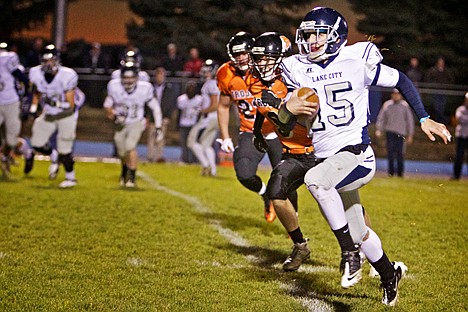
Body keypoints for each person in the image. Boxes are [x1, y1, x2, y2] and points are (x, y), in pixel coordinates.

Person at [268, 7, 451, 306]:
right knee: (359, 229)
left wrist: (423, 118)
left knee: (315, 182)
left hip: (356, 155)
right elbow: (287, 124)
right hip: (328, 158)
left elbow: (401, 80)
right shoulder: (297, 68)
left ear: (336, 36)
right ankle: (389, 274)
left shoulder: (356, 60)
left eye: (319, 35)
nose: (312, 41)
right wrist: (288, 110)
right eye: (308, 35)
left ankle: (349, 254)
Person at [248, 32, 310, 263]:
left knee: (343, 201)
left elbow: (308, 117)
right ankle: (300, 245)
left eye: (267, 58)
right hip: (294, 152)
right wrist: (257, 132)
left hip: (319, 150)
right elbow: (261, 108)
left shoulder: (295, 82)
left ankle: (366, 247)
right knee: (276, 192)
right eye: (258, 58)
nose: (261, 63)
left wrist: (283, 108)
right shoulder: (257, 81)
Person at [216, 32, 284, 223]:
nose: (241, 58)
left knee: (285, 181)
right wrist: (225, 136)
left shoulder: (269, 68)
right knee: (244, 173)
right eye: (237, 54)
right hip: (250, 131)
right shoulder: (226, 73)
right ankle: (265, 194)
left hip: (277, 131)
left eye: (245, 52)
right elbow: (223, 106)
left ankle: (292, 223)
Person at [28, 44, 79, 188]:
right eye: (45, 61)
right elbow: (37, 92)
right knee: (37, 143)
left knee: (65, 149)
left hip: (66, 114)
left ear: (57, 60)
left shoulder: (67, 75)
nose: (47, 64)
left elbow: (70, 105)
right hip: (49, 113)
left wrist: (55, 103)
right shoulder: (35, 73)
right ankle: (54, 155)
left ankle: (70, 178)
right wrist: (33, 108)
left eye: (50, 60)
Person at [103, 63, 162, 187]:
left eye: (131, 78)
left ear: (136, 78)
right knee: (121, 151)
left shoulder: (144, 88)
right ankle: (124, 170)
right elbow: (107, 105)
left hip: (136, 122)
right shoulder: (115, 87)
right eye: (126, 78)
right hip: (121, 124)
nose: (129, 81)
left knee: (130, 146)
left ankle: (132, 177)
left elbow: (155, 107)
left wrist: (158, 126)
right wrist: (113, 115)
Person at [0, 42, 29, 177]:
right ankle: (5, 159)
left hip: (11, 102)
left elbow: (22, 81)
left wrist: (25, 100)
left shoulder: (9, 60)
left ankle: (8, 156)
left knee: (11, 140)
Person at [187, 60, 220, 176]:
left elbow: (215, 105)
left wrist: (201, 110)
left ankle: (206, 164)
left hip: (209, 118)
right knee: (206, 144)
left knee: (191, 141)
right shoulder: (214, 83)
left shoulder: (211, 84)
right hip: (215, 118)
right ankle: (212, 169)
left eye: (208, 69)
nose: (204, 71)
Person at [375, 89, 415, 177]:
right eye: (394, 94)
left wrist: (410, 134)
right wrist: (379, 129)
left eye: (397, 94)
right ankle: (391, 172)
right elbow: (381, 118)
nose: (395, 96)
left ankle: (400, 173)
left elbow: (409, 121)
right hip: (390, 132)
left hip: (401, 133)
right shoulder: (387, 105)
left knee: (400, 153)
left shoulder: (404, 106)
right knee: (390, 153)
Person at [147, 66, 178, 163]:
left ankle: (158, 157)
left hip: (163, 117)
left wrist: (168, 116)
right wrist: (147, 116)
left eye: (161, 75)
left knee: (160, 138)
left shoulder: (169, 88)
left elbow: (171, 103)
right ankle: (150, 157)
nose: (159, 77)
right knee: (151, 137)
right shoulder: (150, 88)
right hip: (152, 117)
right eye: (158, 75)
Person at [177, 81, 204, 164]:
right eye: (189, 88)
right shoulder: (181, 99)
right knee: (184, 143)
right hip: (183, 123)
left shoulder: (199, 99)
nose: (191, 90)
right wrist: (177, 124)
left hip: (194, 124)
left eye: (192, 88)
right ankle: (185, 159)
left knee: (193, 143)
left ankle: (194, 160)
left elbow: (200, 113)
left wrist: (199, 123)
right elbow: (179, 112)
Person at [424, 56, 455, 124]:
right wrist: (433, 86)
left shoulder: (447, 71)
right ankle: (440, 121)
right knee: (437, 107)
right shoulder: (433, 71)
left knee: (441, 107)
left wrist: (446, 86)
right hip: (435, 92)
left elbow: (451, 80)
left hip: (444, 92)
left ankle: (441, 121)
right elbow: (428, 79)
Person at [452, 92, 468, 180]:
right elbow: (459, 118)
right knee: (459, 156)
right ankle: (456, 175)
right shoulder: (460, 109)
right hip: (461, 135)